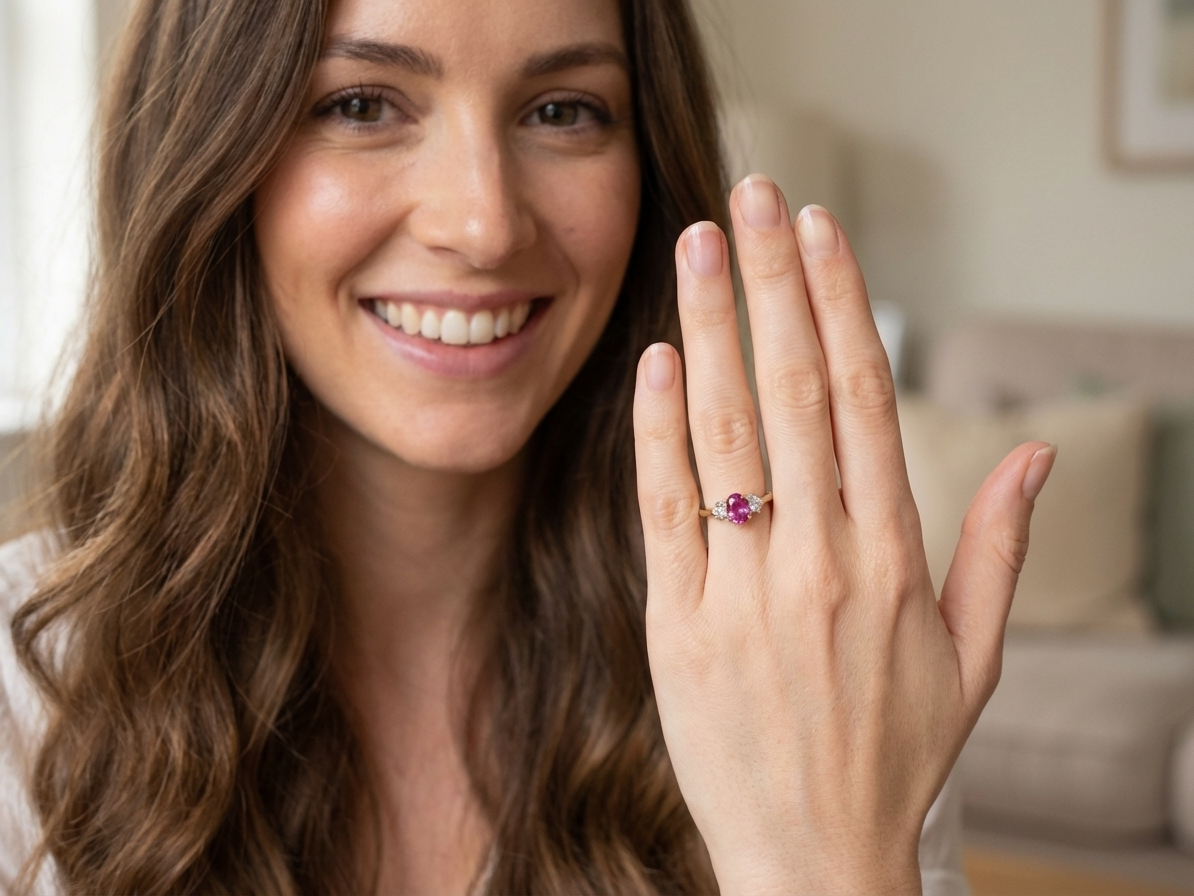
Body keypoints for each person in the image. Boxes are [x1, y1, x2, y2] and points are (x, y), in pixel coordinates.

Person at [0, 0, 1056, 892]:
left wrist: (821, 860)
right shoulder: (21, 681)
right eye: (362, 104)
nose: (486, 223)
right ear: (204, 151)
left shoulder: (812, 654)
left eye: (563, 110)